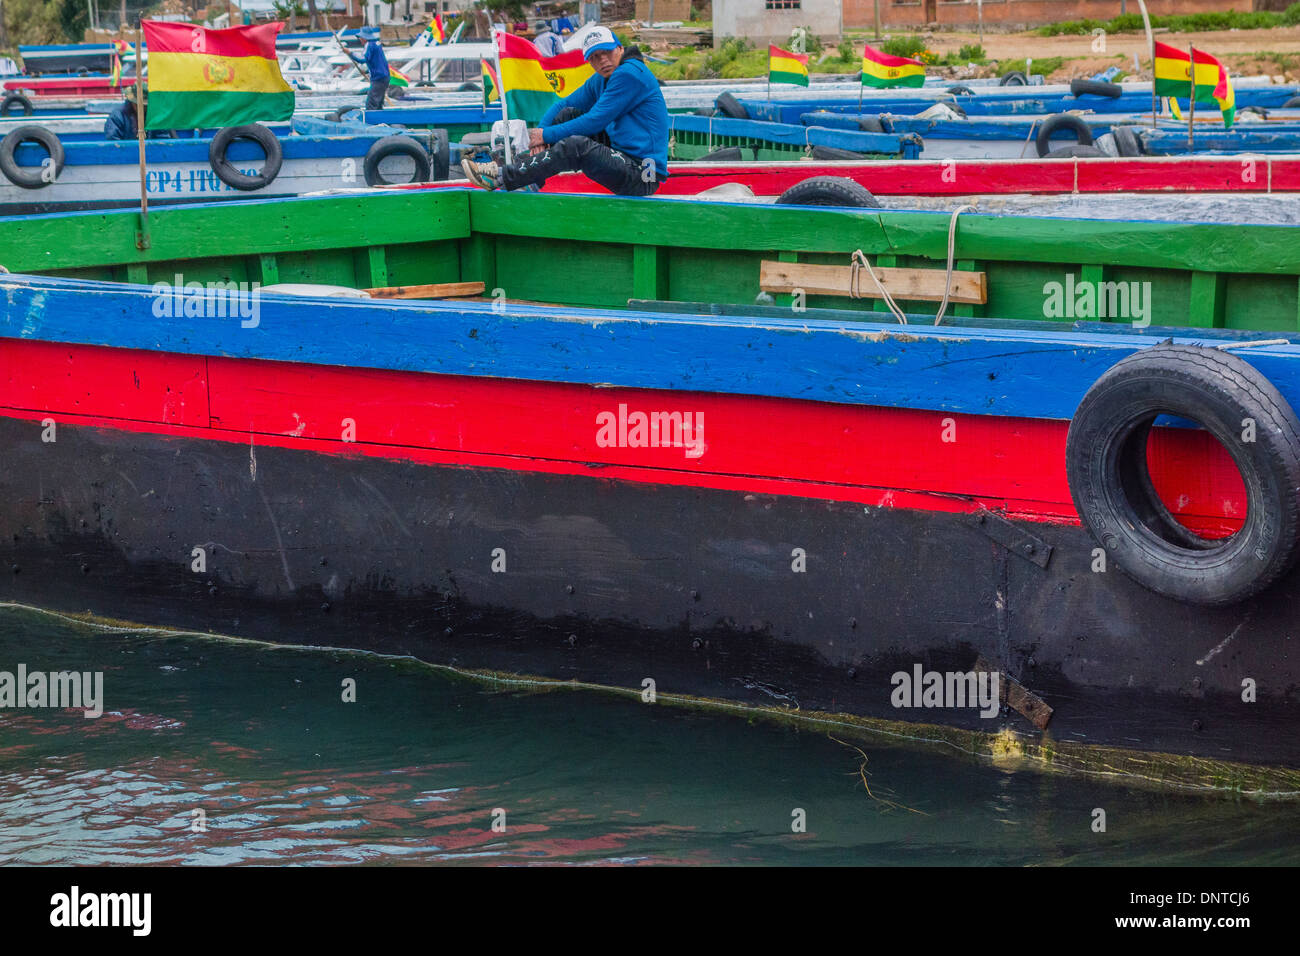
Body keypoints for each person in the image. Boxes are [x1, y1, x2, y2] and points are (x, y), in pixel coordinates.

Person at [461, 27, 668, 197]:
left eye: (607, 52)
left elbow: (595, 121)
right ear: (590, 62)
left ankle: (502, 177)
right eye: (596, 57)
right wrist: (541, 134)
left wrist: (545, 135)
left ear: (620, 49)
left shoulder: (630, 74)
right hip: (622, 154)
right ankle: (529, 179)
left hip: (644, 175)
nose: (603, 60)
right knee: (567, 115)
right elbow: (563, 104)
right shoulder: (602, 79)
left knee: (576, 146)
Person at [103, 83, 172, 139]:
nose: (144, 108)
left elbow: (163, 140)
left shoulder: (156, 116)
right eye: (140, 105)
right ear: (132, 102)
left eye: (146, 106)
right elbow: (113, 141)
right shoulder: (117, 117)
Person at [344, 25, 390, 109]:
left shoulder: (369, 44)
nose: (360, 39)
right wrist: (367, 72)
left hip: (378, 78)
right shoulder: (376, 44)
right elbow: (375, 61)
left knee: (371, 103)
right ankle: (379, 118)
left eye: (361, 37)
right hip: (384, 77)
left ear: (364, 37)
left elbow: (362, 59)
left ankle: (371, 120)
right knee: (378, 102)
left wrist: (349, 53)